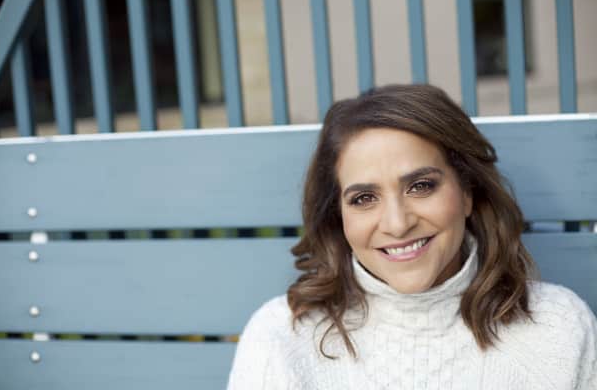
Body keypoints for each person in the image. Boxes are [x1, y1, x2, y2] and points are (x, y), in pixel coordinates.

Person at [226, 84, 597, 389]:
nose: (397, 224)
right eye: (364, 198)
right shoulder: (281, 337)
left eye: (421, 186)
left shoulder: (558, 328)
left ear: (467, 192)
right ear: (339, 216)